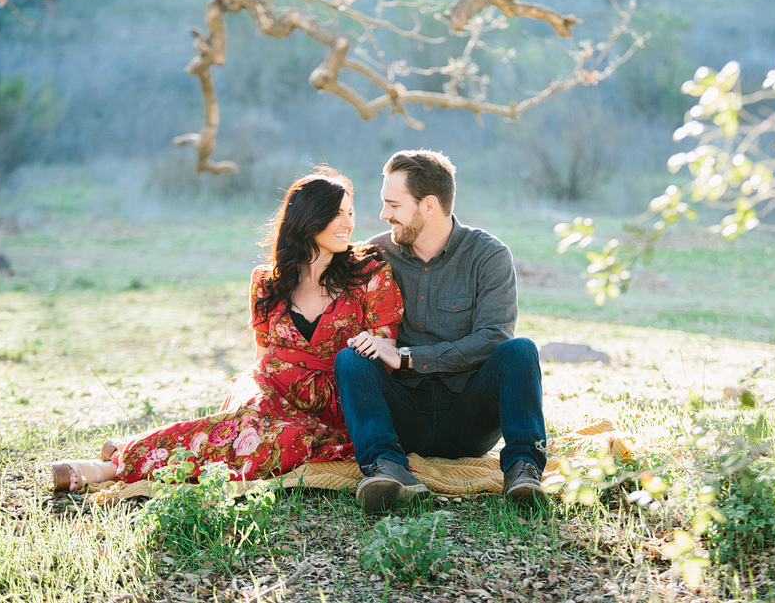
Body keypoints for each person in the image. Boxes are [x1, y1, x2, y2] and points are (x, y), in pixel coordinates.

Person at [48, 167, 404, 491]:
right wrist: (257, 398)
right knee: (249, 425)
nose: (347, 223)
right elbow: (263, 357)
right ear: (308, 217)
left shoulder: (370, 275)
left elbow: (381, 353)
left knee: (285, 442)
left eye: (350, 213)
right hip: (270, 391)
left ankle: (129, 452)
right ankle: (111, 467)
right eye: (336, 213)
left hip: (333, 404)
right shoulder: (267, 282)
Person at [332, 149, 549, 515]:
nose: (384, 215)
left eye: (393, 205)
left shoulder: (489, 256)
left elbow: (493, 337)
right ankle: (388, 469)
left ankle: (523, 472)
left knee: (520, 350)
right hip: (402, 414)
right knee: (351, 358)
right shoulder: (375, 253)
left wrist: (407, 357)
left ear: (428, 205)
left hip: (468, 415)